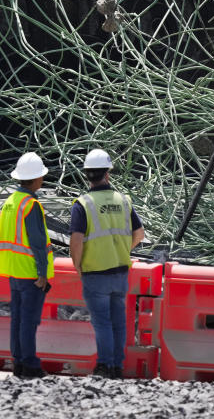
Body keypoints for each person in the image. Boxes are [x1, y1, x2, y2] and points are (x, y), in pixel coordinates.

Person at [69, 148, 145, 379]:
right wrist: (122, 250)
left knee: (102, 322)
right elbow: (139, 233)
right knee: (119, 323)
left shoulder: (83, 204)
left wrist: (78, 265)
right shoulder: (123, 200)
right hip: (120, 272)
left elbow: (76, 240)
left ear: (86, 175)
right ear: (108, 174)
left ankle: (104, 366)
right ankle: (117, 366)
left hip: (95, 273)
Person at [0, 152, 54, 378]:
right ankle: (30, 364)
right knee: (29, 320)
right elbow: (38, 243)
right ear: (37, 179)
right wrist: (42, 273)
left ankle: (18, 362)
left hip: (13, 270)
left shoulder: (9, 202)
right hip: (29, 272)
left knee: (17, 319)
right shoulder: (31, 205)